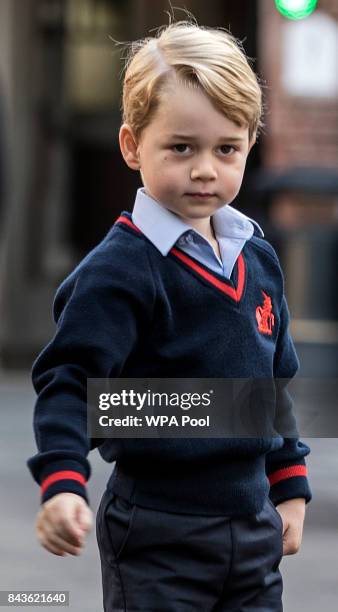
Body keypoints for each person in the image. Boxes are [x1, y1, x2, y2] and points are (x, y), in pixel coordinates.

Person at [27, 18, 312, 612]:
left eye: (225, 149)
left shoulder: (256, 257)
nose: (205, 169)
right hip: (159, 531)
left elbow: (274, 385)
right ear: (133, 145)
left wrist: (289, 487)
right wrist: (61, 481)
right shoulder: (121, 270)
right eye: (181, 147)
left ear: (250, 145)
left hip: (253, 526)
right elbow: (70, 382)